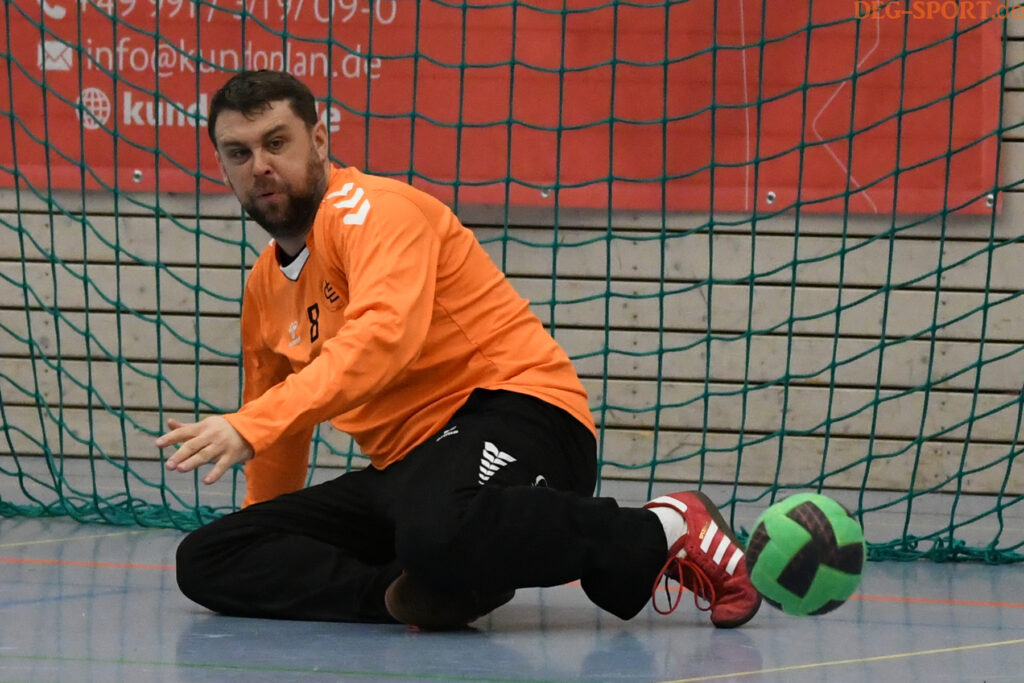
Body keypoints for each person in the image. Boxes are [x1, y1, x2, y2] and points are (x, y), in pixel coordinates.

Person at [157, 69, 761, 630]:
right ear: (223, 165)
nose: (261, 166)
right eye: (240, 153)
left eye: (276, 143)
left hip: (516, 416)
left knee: (437, 529)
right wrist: (267, 522)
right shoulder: (265, 287)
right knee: (212, 555)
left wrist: (250, 425)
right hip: (408, 468)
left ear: (318, 140)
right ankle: (413, 593)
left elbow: (381, 340)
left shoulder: (374, 211)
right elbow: (277, 437)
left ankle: (664, 528)